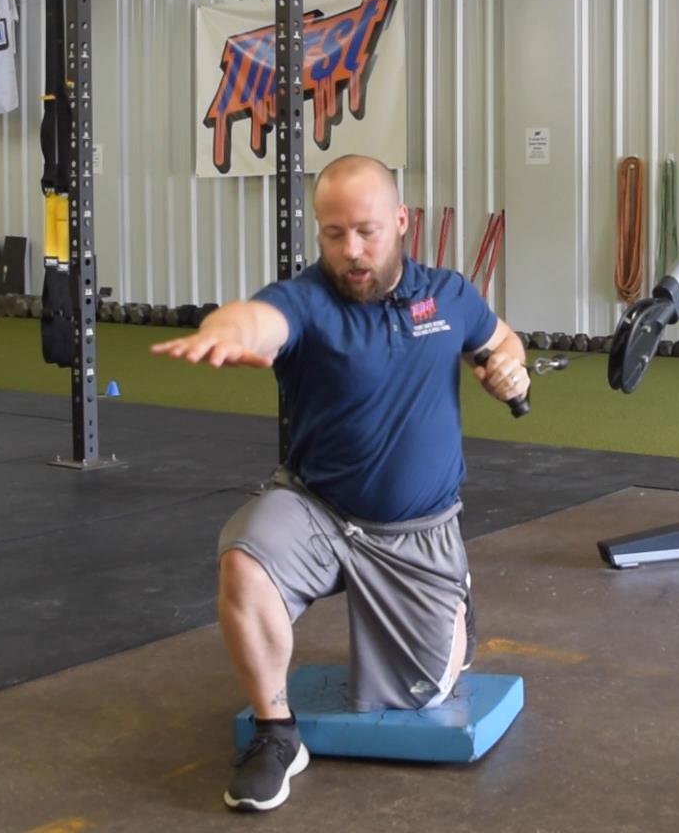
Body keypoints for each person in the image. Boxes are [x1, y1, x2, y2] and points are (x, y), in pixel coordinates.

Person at [150, 154, 529, 812]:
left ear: (402, 223)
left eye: (366, 231)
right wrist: (223, 331)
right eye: (333, 234)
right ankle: (275, 735)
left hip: (416, 532)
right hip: (318, 509)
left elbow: (500, 341)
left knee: (421, 696)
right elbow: (259, 320)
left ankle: (454, 603)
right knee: (245, 560)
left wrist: (509, 368)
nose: (351, 250)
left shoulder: (449, 296)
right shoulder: (307, 300)